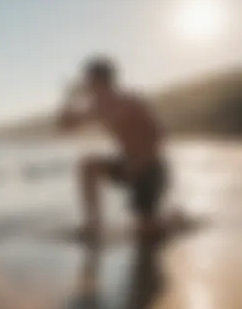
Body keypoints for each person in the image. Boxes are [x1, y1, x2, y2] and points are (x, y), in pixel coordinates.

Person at [58, 55, 168, 246]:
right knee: (88, 165)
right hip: (126, 163)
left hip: (150, 168)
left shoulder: (129, 101)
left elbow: (159, 134)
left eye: (88, 80)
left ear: (100, 81)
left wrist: (140, 162)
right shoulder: (98, 107)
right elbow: (65, 127)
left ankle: (172, 223)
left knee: (148, 233)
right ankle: (93, 223)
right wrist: (69, 98)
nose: (85, 85)